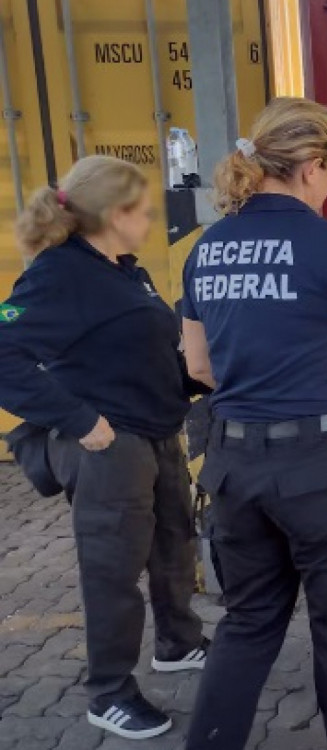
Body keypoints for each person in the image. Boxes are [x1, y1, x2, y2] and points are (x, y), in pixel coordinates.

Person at [180, 97, 327, 750]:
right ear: (310, 167)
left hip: (234, 461)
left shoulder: (207, 249)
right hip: (321, 464)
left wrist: (255, 390)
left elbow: (196, 362)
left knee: (247, 622)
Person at [0, 155, 209, 739]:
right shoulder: (59, 274)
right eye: (141, 210)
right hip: (109, 445)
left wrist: (196, 376)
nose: (149, 219)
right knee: (113, 570)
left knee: (174, 545)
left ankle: (179, 642)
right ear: (113, 214)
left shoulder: (125, 272)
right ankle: (110, 692)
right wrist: (77, 417)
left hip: (159, 432)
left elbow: (138, 354)